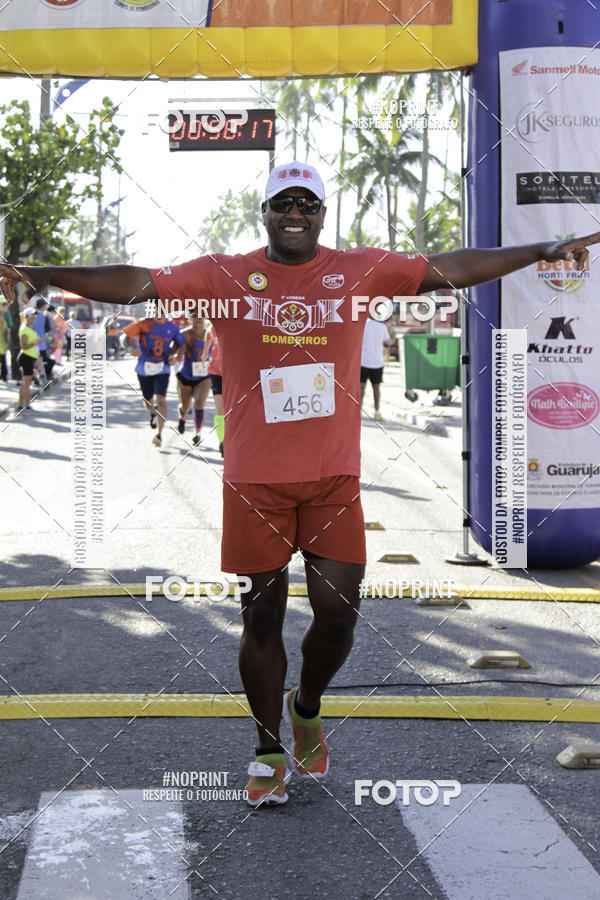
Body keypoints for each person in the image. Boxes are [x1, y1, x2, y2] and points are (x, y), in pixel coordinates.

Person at [1, 162, 599, 807]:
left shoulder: (361, 270)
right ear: (265, 212)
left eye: (307, 203)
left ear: (321, 213)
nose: (295, 213)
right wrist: (46, 274)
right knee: (261, 617)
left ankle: (306, 705)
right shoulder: (223, 275)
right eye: (283, 203)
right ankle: (267, 751)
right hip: (255, 482)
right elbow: (136, 283)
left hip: (332, 479)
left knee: (339, 616)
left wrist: (537, 250)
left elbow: (447, 267)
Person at [121, 314, 185, 447]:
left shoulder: (172, 327)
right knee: (147, 401)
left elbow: (182, 344)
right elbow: (124, 337)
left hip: (163, 368)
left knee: (161, 400)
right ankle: (153, 412)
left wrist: (175, 356)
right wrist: (130, 349)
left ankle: (159, 435)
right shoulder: (143, 323)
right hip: (144, 368)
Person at [174, 314, 213, 446]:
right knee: (186, 406)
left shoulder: (211, 334)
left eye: (201, 316)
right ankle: (182, 414)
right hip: (186, 375)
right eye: (195, 316)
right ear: (190, 319)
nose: (198, 319)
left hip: (204, 376)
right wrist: (174, 356)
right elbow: (174, 351)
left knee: (199, 404)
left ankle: (197, 434)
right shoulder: (184, 334)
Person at [360, 315, 394, 420]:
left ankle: (359, 411)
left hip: (363, 361)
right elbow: (388, 342)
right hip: (377, 362)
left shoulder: (363, 325)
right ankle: (377, 412)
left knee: (361, 387)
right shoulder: (383, 327)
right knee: (376, 388)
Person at [17, 306, 45, 411]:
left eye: (35, 316)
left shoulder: (30, 327)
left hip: (30, 357)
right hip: (26, 357)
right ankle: (25, 406)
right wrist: (36, 342)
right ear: (27, 316)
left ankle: (21, 405)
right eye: (32, 316)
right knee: (26, 383)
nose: (34, 317)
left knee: (26, 383)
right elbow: (23, 346)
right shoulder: (24, 328)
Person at [206, 322, 225, 456]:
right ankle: (222, 441)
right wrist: (204, 353)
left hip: (233, 373)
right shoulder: (213, 325)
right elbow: (208, 337)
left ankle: (231, 439)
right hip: (215, 371)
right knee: (220, 409)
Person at [0, 298, 9, 382]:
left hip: (2, 345)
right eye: (4, 304)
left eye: (6, 304)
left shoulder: (2, 315)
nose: (6, 306)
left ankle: (4, 375)